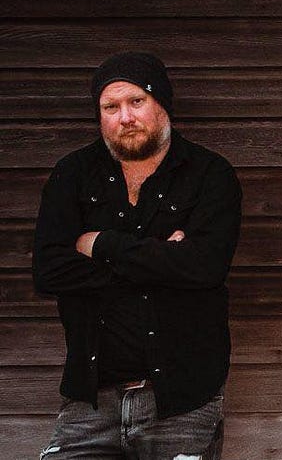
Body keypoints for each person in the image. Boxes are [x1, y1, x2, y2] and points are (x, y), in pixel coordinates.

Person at [32, 51, 241, 459]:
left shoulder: (209, 174)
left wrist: (100, 245)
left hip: (182, 400)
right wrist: (161, 259)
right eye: (111, 107)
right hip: (90, 400)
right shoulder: (73, 174)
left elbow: (205, 266)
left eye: (136, 101)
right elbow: (48, 270)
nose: (125, 117)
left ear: (162, 103)